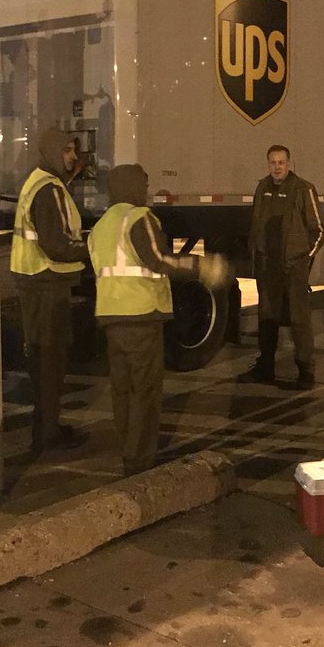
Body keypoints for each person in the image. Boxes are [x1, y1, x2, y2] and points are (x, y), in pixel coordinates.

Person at [89, 164, 231, 475]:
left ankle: (128, 449)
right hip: (141, 315)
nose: (147, 190)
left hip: (111, 316)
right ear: (132, 187)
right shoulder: (139, 218)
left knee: (122, 389)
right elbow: (159, 259)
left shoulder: (102, 226)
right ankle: (140, 459)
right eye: (144, 184)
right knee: (145, 391)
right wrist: (201, 268)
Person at [10, 127, 90, 454]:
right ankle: (47, 437)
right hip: (46, 285)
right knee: (49, 365)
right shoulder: (49, 189)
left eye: (74, 150)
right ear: (53, 150)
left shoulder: (43, 182)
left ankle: (47, 431)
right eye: (68, 150)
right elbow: (57, 246)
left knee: (43, 363)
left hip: (37, 284)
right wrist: (92, 247)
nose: (72, 156)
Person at [237, 145, 324, 390]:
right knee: (267, 319)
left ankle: (306, 371)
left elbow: (319, 228)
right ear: (268, 164)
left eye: (281, 163)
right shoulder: (262, 187)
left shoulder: (302, 189)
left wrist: (304, 259)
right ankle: (265, 367)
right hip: (268, 267)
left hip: (293, 267)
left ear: (289, 164)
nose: (277, 167)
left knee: (299, 321)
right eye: (273, 163)